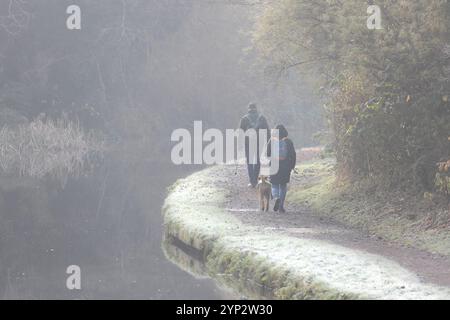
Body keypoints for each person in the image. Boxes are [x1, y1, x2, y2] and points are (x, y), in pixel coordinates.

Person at [266, 125, 296, 213]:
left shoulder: (271, 141)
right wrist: (292, 166)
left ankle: (276, 197)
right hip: (285, 167)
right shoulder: (289, 142)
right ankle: (281, 206)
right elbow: (293, 155)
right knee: (283, 186)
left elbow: (267, 154)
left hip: (274, 166)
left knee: (274, 184)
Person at [239, 103, 270, 188]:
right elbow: (267, 131)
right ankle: (256, 181)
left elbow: (241, 133)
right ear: (256, 109)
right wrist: (268, 142)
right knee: (257, 160)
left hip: (248, 143)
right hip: (259, 142)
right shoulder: (262, 118)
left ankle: (252, 181)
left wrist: (240, 144)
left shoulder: (244, 119)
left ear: (248, 109)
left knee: (249, 161)